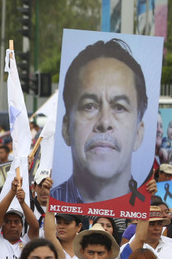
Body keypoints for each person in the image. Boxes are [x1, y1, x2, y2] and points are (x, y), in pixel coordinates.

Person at [51, 38, 150, 206]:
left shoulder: (154, 210)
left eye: (119, 107)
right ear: (66, 128)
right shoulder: (46, 208)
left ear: (139, 133)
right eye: (89, 106)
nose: (104, 122)